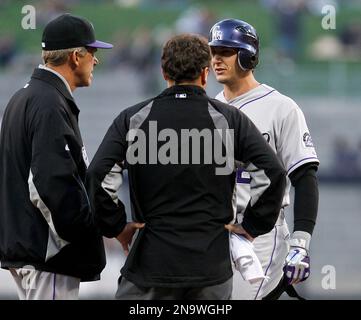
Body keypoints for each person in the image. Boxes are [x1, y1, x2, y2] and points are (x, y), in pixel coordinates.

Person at [86, 33, 286, 300]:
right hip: (211, 269)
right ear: (205, 74)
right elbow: (272, 172)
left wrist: (116, 226)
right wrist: (252, 225)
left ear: (163, 72)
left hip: (149, 265)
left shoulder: (134, 119)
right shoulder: (229, 119)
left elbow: (98, 174)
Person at [0, 13, 113, 300]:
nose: (96, 60)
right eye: (92, 52)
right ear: (76, 56)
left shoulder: (25, 96)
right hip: (48, 254)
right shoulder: (48, 102)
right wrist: (75, 239)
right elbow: (49, 183)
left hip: (31, 246)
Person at [208, 19, 320, 300]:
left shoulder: (280, 108)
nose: (216, 59)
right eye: (213, 51)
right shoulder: (207, 108)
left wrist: (301, 242)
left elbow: (304, 177)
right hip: (213, 232)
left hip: (260, 234)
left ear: (248, 56)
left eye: (226, 51)